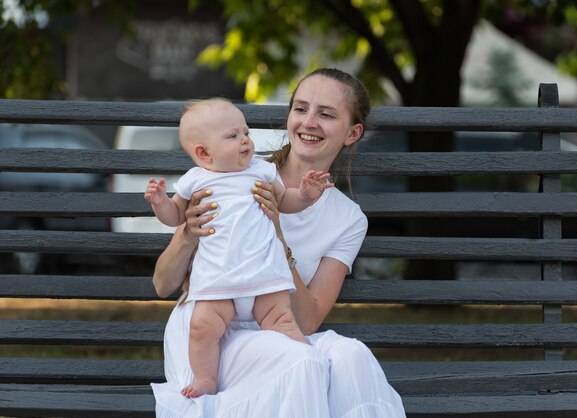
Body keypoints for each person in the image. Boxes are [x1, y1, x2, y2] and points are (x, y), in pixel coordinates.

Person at [150, 68, 406, 417]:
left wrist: (278, 237)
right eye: (300, 109)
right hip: (211, 336)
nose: (309, 122)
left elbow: (308, 321)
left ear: (352, 132)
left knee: (352, 356)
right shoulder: (231, 174)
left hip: (281, 327)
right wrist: (186, 235)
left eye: (326, 114)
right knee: (300, 362)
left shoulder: (348, 219)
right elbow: (164, 285)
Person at [144, 98, 333, 398]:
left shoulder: (261, 170)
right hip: (219, 281)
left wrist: (306, 195)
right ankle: (207, 379)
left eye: (246, 132)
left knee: (283, 321)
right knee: (202, 328)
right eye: (233, 136)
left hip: (263, 276)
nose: (245, 140)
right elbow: (175, 217)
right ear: (203, 153)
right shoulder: (196, 180)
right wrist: (160, 203)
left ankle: (305, 367)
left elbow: (285, 202)